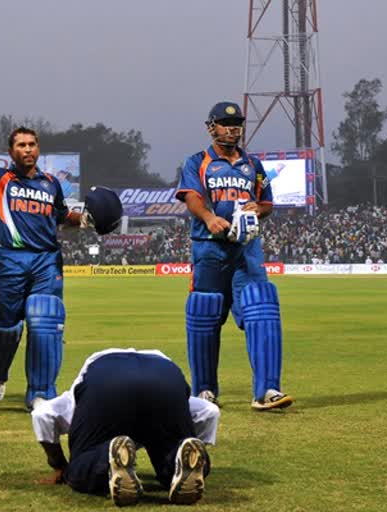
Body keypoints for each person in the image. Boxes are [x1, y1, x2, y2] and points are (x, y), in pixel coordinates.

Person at [0, 88, 122, 410]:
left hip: (46, 261)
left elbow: (61, 216)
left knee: (46, 322)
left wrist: (85, 221)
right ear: (11, 151)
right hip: (11, 259)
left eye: (32, 144)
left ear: (38, 149)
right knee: (5, 328)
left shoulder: (51, 183)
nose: (28, 149)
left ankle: (40, 392)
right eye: (21, 145)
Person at [175, 101, 293, 411]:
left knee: (262, 308)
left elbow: (266, 202)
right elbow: (191, 196)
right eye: (226, 124)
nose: (233, 128)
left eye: (238, 123)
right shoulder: (197, 162)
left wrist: (259, 210)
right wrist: (209, 218)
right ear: (210, 127)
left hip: (246, 251)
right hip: (209, 249)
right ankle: (204, 391)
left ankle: (267, 390)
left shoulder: (252, 165)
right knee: (204, 313)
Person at [31, 348, 218, 506]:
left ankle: (106, 457)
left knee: (80, 466)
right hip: (167, 378)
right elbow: (209, 412)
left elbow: (42, 415)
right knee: (172, 449)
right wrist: (187, 441)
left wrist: (60, 466)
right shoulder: (157, 362)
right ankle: (178, 458)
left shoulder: (85, 379)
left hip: (105, 383)